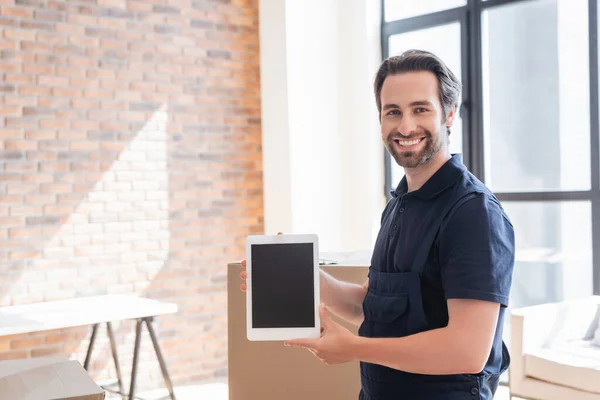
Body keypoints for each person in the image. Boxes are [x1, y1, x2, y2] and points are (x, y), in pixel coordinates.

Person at [240, 49, 515, 400]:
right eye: (393, 112)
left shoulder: (472, 213)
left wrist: (355, 348)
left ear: (449, 114)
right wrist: (307, 276)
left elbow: (467, 351)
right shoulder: (399, 204)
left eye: (420, 109)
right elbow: (370, 308)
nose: (405, 126)